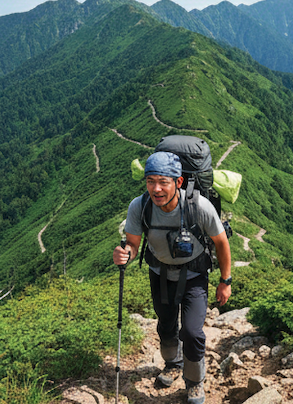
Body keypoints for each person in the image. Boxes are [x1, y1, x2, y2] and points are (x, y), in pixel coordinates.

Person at [113, 151, 231, 404]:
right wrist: (125, 254)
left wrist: (225, 281)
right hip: (160, 273)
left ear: (178, 182)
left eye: (163, 182)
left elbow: (221, 243)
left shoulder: (199, 206)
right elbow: (133, 244)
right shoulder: (140, 206)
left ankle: (194, 382)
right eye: (150, 181)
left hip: (194, 276)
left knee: (192, 332)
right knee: (166, 325)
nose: (156, 189)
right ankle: (172, 364)